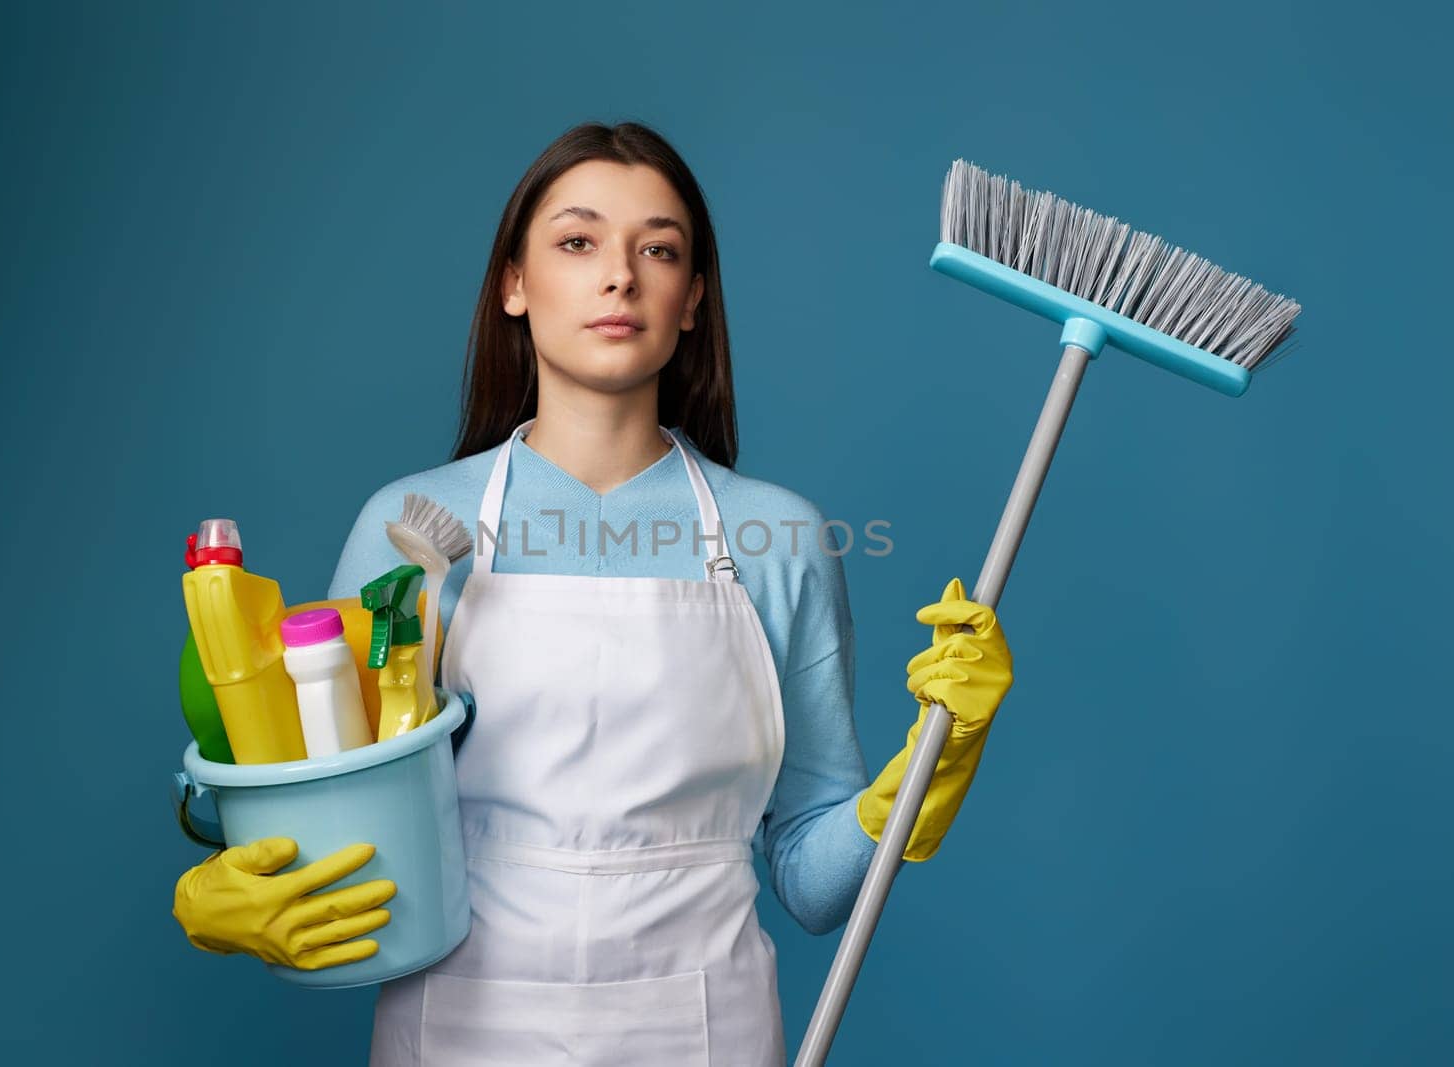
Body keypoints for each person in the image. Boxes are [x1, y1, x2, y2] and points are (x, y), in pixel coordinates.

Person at [172, 120, 1013, 1065]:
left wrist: (926, 772)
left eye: (658, 249)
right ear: (514, 285)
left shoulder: (778, 539)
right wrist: (214, 880)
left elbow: (817, 891)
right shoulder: (409, 529)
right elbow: (313, 784)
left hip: (706, 1031)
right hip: (461, 1026)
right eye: (578, 243)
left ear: (691, 299)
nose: (620, 275)